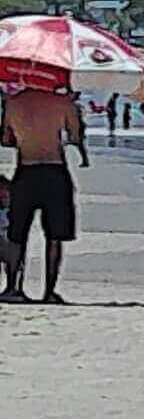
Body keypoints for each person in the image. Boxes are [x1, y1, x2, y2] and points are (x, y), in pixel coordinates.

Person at [1, 87, 89, 304]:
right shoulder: (62, 102)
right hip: (54, 170)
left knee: (17, 234)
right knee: (55, 235)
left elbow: (6, 138)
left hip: (26, 169)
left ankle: (13, 287)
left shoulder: (13, 103)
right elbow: (76, 136)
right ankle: (49, 291)